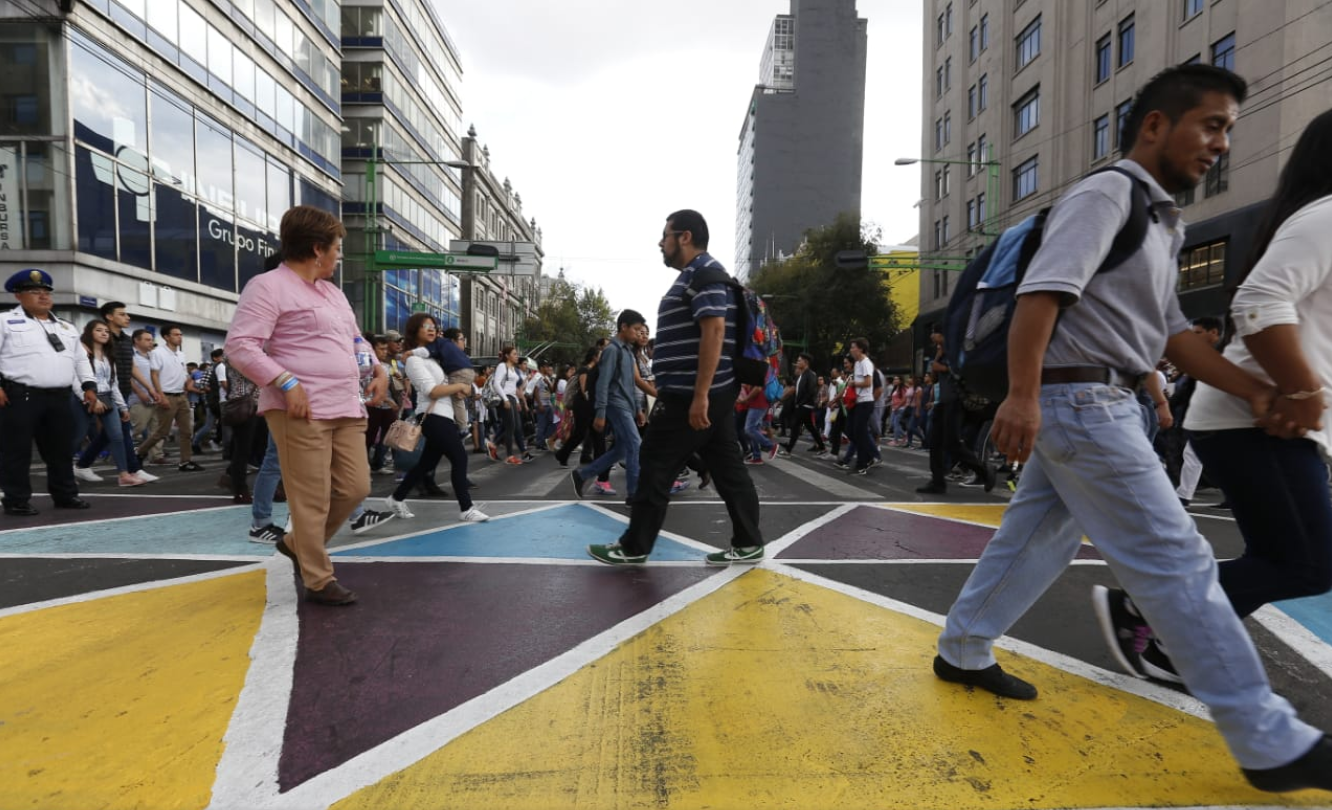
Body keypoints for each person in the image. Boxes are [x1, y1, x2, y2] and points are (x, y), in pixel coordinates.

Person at [933, 65, 1332, 792]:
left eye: (1228, 130)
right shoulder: (1108, 194)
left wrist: (1259, 390)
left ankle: (962, 648)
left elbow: (1173, 335)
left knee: (1037, 537)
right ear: (1155, 125)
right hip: (1080, 401)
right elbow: (1042, 293)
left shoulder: (1159, 221)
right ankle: (1269, 742)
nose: (1221, 144)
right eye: (1211, 125)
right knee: (1177, 562)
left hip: (1098, 401)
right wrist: (1021, 396)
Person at [1099, 110, 1332, 695]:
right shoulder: (1328, 215)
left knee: (1287, 559)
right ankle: (1151, 611)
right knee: (1307, 563)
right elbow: (1257, 302)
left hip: (1267, 423)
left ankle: (1171, 644)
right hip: (1260, 422)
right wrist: (1302, 392)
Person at [226, 205, 387, 607]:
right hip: (300, 408)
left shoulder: (333, 293)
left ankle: (296, 544)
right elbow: (240, 346)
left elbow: (356, 339)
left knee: (356, 487)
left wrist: (379, 368)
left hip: (346, 404)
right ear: (317, 249)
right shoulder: (268, 287)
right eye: (336, 248)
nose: (339, 256)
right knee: (311, 497)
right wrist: (285, 381)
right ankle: (318, 579)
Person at [587, 209, 762, 566]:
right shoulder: (697, 275)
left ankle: (634, 546)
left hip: (690, 394)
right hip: (704, 392)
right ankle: (748, 542)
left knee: (654, 463)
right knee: (728, 468)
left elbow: (714, 332)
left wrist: (700, 395)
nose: (660, 242)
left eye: (665, 235)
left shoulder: (705, 274)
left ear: (685, 237)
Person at [0, 269, 96, 516]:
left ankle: (66, 495)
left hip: (60, 397)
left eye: (46, 292)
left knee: (61, 450)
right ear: (18, 296)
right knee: (17, 451)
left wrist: (89, 386)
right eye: (35, 292)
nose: (43, 296)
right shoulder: (5, 321)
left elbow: (80, 359)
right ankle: (16, 500)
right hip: (20, 396)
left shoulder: (66, 326)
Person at [384, 313, 489, 523]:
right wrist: (459, 386)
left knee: (426, 463)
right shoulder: (413, 360)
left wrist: (461, 389)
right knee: (459, 457)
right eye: (425, 326)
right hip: (433, 416)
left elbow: (448, 384)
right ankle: (466, 508)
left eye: (433, 326)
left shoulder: (434, 357)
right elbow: (431, 390)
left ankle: (396, 498)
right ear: (414, 331)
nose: (431, 329)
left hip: (445, 414)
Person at [73, 301, 157, 483]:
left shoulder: (122, 343)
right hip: (89, 395)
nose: (127, 317)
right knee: (81, 435)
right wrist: (89, 397)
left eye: (105, 331)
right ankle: (131, 469)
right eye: (122, 314)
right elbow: (77, 376)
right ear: (109, 316)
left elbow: (121, 375)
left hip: (114, 394)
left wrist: (147, 389)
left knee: (115, 434)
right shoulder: (85, 348)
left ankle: (120, 472)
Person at [570, 309, 648, 499]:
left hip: (627, 406)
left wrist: (638, 409)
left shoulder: (628, 352)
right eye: (636, 329)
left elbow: (630, 384)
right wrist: (600, 413)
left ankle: (582, 475)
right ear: (624, 327)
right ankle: (634, 493)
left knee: (622, 449)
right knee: (635, 444)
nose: (638, 334)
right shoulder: (612, 350)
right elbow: (603, 383)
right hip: (616, 405)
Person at [916, 327, 993, 492]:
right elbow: (934, 378)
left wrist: (943, 367)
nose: (932, 338)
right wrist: (937, 359)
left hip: (955, 401)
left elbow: (963, 371)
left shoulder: (957, 350)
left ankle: (984, 471)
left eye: (935, 334)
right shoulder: (941, 353)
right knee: (934, 442)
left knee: (952, 443)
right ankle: (937, 481)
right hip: (942, 402)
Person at [136, 324, 204, 472]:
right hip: (167, 395)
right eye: (176, 334)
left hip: (181, 396)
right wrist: (161, 395)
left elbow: (182, 374)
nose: (180, 337)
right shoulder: (158, 353)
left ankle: (185, 461)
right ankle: (139, 452)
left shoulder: (180, 354)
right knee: (162, 432)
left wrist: (185, 389)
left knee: (187, 431)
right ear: (166, 337)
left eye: (180, 334)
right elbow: (154, 375)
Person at [779, 353, 824, 456]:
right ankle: (822, 447)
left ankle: (788, 450)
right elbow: (794, 389)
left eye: (799, 361)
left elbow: (811, 391)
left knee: (795, 426)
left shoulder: (811, 375)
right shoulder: (801, 375)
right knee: (810, 427)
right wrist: (781, 399)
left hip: (805, 406)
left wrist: (801, 402)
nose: (797, 362)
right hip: (801, 405)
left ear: (805, 362)